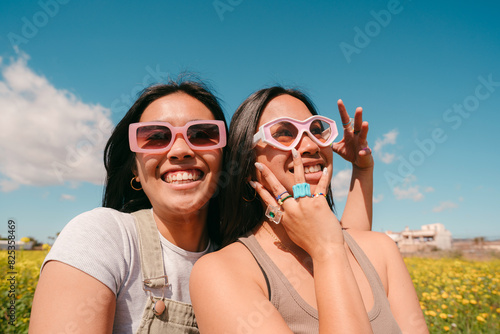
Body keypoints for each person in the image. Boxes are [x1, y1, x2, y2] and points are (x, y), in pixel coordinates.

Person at [190, 86, 428, 333]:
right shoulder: (221, 273)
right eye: (283, 133)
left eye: (316, 130)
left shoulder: (381, 250)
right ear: (247, 162)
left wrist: (363, 170)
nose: (310, 145)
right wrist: (326, 252)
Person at [30, 79, 228, 333]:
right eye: (155, 137)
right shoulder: (102, 235)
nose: (180, 150)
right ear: (135, 169)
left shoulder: (242, 260)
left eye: (201, 134)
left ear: (224, 156)